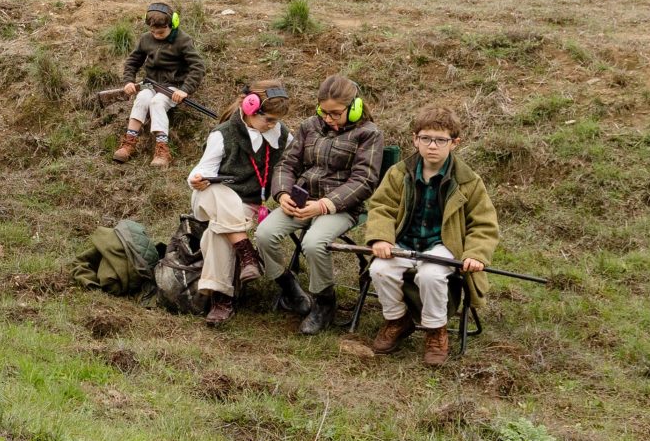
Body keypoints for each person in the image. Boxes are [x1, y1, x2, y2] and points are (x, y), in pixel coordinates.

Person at [360, 105, 501, 368]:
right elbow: (381, 207)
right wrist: (381, 238)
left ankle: (436, 330)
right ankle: (397, 320)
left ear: (455, 143)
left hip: (443, 244)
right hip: (405, 241)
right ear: (415, 139)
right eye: (425, 138)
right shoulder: (399, 173)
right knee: (379, 269)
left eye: (440, 140)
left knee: (431, 275)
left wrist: (475, 254)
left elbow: (483, 224)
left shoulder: (468, 181)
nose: (432, 146)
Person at [249, 75, 384, 335]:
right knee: (264, 234)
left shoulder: (369, 134)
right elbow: (287, 164)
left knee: (313, 243)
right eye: (324, 112)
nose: (328, 119)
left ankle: (324, 302)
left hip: (341, 208)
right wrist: (283, 194)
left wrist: (324, 205)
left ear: (354, 108)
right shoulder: (309, 126)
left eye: (335, 113)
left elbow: (364, 181)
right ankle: (289, 287)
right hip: (301, 201)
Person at [186, 82, 290, 326]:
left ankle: (222, 298)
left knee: (217, 232)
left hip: (247, 205)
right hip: (210, 200)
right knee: (215, 191)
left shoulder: (282, 135)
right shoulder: (222, 134)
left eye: (277, 120)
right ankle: (247, 252)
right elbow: (199, 173)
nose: (273, 125)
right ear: (250, 108)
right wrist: (198, 180)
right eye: (269, 119)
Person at [112, 1, 206, 166]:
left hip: (173, 86)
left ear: (172, 24)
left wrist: (185, 90)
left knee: (157, 102)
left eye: (161, 32)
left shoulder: (183, 40)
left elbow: (198, 67)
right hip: (150, 83)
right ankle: (129, 142)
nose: (156, 35)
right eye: (152, 31)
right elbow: (133, 62)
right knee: (142, 98)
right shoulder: (145, 39)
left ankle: (162, 149)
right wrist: (129, 81)